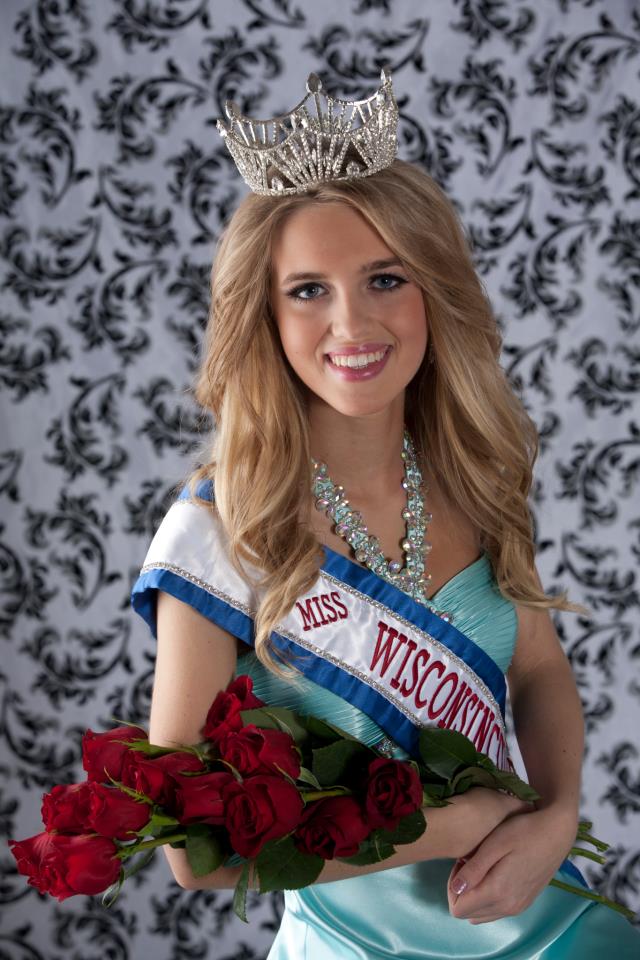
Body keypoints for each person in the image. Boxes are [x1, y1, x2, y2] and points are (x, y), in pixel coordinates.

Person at [130, 68, 640, 957]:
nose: (352, 324)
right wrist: (448, 827)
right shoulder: (220, 532)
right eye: (308, 290)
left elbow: (537, 666)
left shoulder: (475, 477)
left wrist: (557, 814)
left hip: (545, 923)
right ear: (264, 314)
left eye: (384, 279)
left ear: (432, 290)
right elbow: (192, 851)